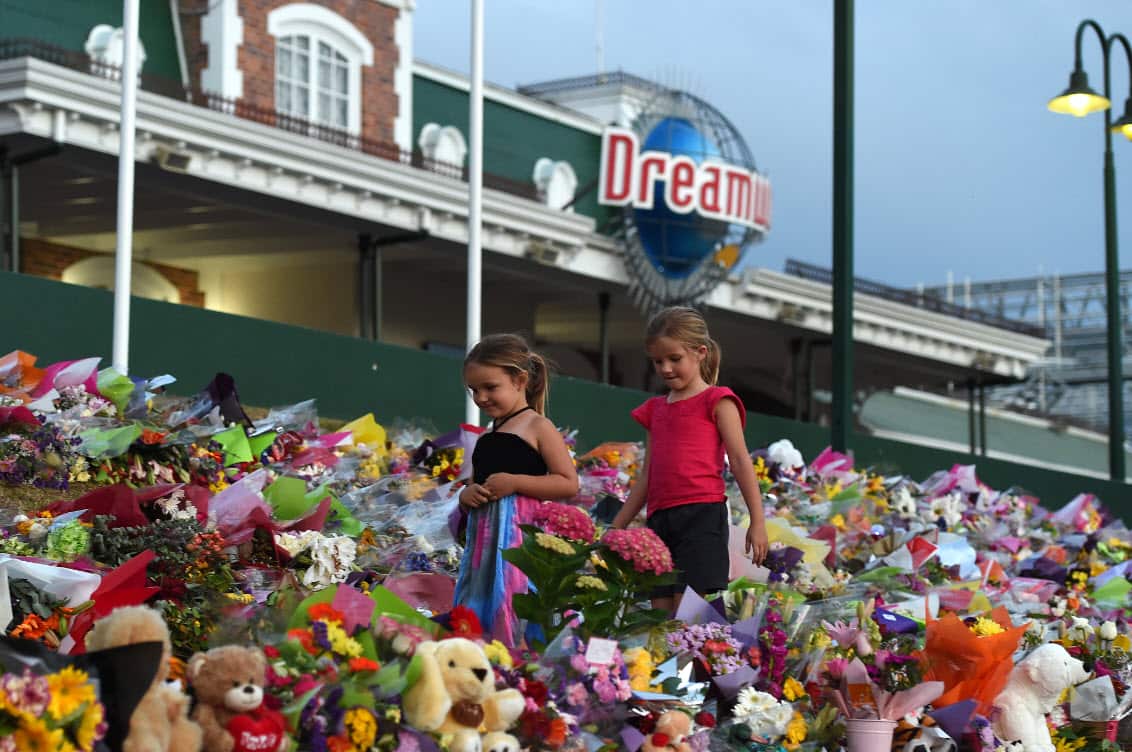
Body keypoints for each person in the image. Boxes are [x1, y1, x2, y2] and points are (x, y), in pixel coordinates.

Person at [611, 306, 769, 615]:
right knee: (661, 614)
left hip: (701, 517)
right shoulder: (655, 410)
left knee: (691, 613)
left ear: (700, 353)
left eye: (674, 359)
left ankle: (702, 664)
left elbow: (739, 460)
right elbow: (648, 475)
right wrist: (617, 526)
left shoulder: (718, 400)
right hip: (660, 520)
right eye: (658, 361)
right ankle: (666, 665)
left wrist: (758, 522)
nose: (666, 369)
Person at [453, 333, 579, 645]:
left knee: (514, 600)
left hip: (521, 540)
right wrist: (465, 496)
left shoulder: (538, 426)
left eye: (490, 387)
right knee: (481, 599)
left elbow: (568, 482)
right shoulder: (484, 438)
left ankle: (519, 661)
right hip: (485, 544)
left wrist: (516, 482)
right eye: (474, 390)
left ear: (520, 380)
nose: (481, 397)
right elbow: (475, 485)